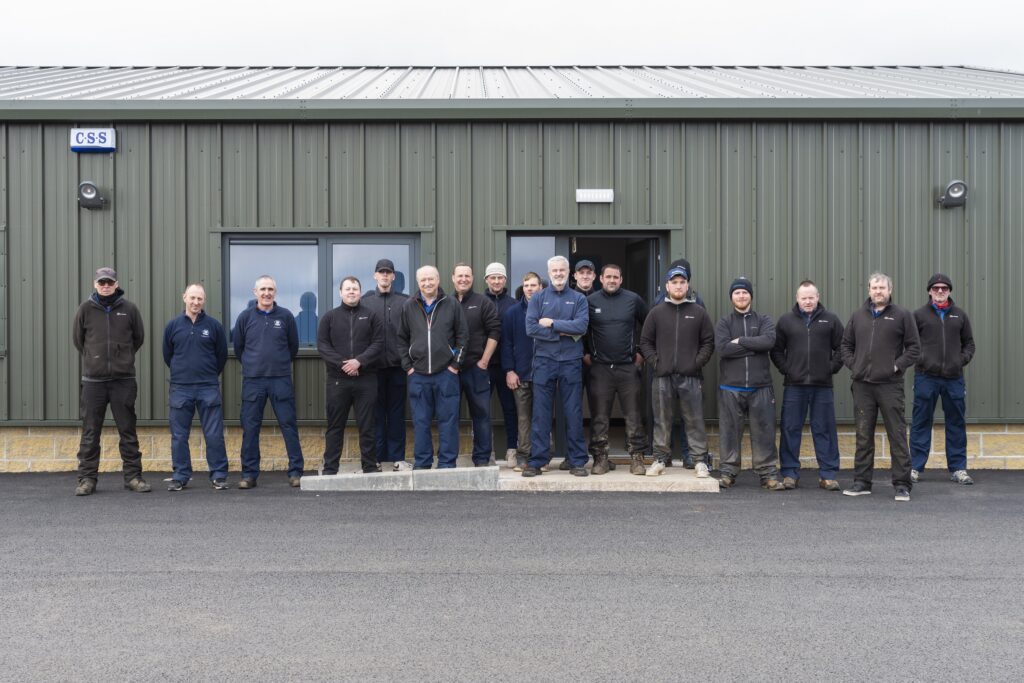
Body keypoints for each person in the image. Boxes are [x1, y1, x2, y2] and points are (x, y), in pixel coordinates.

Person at [841, 272, 921, 501]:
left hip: (890, 386)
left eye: (882, 288)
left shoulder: (902, 315)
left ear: (890, 290)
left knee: (897, 435)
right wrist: (854, 365)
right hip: (862, 386)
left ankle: (902, 484)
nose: (878, 291)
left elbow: (914, 348)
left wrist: (896, 367)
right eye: (874, 287)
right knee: (863, 435)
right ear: (868, 290)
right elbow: (845, 345)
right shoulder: (858, 316)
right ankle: (862, 482)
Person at [71, 267, 148, 496]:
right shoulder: (85, 309)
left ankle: (133, 477)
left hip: (123, 380)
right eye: (101, 282)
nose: (105, 286)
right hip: (93, 382)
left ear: (116, 284)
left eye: (109, 282)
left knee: (128, 431)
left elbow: (138, 338)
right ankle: (87, 479)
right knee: (90, 432)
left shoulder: (129, 309)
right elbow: (79, 340)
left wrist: (121, 358)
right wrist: (95, 359)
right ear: (95, 284)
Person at [639, 263, 715, 478]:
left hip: (690, 376)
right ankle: (660, 459)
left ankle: (699, 460)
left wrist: (695, 363)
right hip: (662, 376)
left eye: (682, 282)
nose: (679, 286)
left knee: (694, 419)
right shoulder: (656, 313)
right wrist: (656, 362)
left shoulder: (698, 312)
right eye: (675, 282)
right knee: (662, 419)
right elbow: (645, 342)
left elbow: (708, 342)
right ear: (667, 285)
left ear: (687, 285)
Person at [770, 280, 845, 491]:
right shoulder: (786, 321)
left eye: (811, 297)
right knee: (790, 428)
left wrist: (830, 368)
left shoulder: (831, 320)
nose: (808, 301)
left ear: (818, 296)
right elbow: (776, 350)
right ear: (797, 298)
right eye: (804, 298)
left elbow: (843, 347)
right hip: (794, 385)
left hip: (822, 386)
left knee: (825, 429)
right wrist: (788, 369)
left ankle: (828, 475)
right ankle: (790, 474)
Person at [233, 275, 304, 489]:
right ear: (255, 292)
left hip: (280, 379)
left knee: (289, 425)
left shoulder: (286, 316)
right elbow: (239, 348)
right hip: (253, 381)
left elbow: (293, 347)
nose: (266, 293)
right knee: (250, 428)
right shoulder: (245, 317)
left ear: (275, 292)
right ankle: (249, 474)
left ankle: (295, 472)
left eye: (270, 289)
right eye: (262, 289)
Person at [715, 277, 784, 491]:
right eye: (737, 293)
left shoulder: (764, 320)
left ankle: (768, 475)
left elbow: (769, 342)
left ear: (750, 296)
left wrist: (741, 340)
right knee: (729, 433)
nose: (741, 296)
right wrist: (754, 344)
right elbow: (724, 349)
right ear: (731, 297)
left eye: (745, 292)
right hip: (731, 388)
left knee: (764, 433)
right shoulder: (725, 322)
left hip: (760, 387)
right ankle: (727, 473)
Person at [523, 256, 590, 477]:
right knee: (540, 414)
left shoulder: (579, 298)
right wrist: (565, 333)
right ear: (549, 272)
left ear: (568, 272)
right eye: (555, 270)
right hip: (544, 361)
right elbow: (531, 328)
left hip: (571, 362)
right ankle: (537, 461)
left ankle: (577, 461)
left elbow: (581, 326)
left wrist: (552, 324)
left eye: (562, 270)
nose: (559, 273)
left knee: (573, 412)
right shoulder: (538, 298)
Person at [398, 265, 468, 469]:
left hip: (446, 374)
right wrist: (408, 366)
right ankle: (422, 463)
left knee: (448, 422)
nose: (427, 283)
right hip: (418, 375)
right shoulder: (408, 305)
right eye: (423, 280)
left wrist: (455, 365)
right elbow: (401, 339)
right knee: (421, 423)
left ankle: (447, 463)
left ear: (438, 280)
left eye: (431, 279)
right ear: (418, 282)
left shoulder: (452, 304)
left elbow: (463, 337)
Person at [161, 283, 230, 491]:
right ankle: (181, 475)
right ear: (184, 298)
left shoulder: (214, 326)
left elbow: (221, 356)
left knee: (214, 434)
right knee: (179, 436)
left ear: (204, 301)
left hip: (208, 387)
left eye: (199, 299)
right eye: (192, 298)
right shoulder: (173, 326)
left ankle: (218, 475)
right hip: (180, 388)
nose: (196, 302)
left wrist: (207, 374)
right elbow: (168, 355)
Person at [910, 273, 976, 485]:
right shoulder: (918, 315)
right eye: (936, 288)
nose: (940, 291)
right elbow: (910, 344)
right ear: (929, 291)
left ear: (949, 291)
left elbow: (969, 344)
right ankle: (915, 467)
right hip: (925, 377)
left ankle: (958, 469)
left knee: (956, 423)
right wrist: (922, 360)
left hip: (953, 378)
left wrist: (959, 361)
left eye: (944, 288)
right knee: (921, 422)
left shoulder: (960, 315)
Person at [584, 264, 649, 475]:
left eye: (616, 277)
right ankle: (600, 458)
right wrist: (585, 354)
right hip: (600, 368)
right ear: (600, 279)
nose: (612, 280)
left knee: (633, 415)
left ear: (621, 280)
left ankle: (637, 458)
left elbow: (649, 325)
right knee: (600, 416)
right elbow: (581, 328)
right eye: (608, 277)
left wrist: (641, 352)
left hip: (627, 367)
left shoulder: (633, 299)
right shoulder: (590, 301)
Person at [318, 276, 384, 475]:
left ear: (361, 292)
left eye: (355, 288)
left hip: (366, 379)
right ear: (340, 292)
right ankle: (330, 468)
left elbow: (378, 344)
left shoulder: (371, 316)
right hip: (338, 380)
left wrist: (359, 362)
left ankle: (370, 467)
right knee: (335, 426)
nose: (351, 292)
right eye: (347, 289)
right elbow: (323, 345)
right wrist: (343, 364)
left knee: (367, 425)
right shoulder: (329, 317)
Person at [361, 259, 411, 470]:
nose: (384, 276)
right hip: (373, 369)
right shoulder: (365, 301)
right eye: (381, 272)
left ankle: (397, 458)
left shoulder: (405, 302)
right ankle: (378, 459)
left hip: (398, 367)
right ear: (375, 276)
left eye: (388, 273)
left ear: (393, 277)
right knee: (376, 415)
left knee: (397, 414)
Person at [452, 263, 501, 466]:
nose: (463, 279)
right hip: (451, 370)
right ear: (453, 278)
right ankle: (448, 459)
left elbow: (495, 331)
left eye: (467, 275)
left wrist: (484, 361)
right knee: (449, 416)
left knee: (481, 415)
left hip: (476, 369)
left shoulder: (483, 302)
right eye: (460, 275)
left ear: (472, 278)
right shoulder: (446, 302)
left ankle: (481, 458)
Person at [501, 272, 542, 472]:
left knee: (542, 417)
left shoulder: (548, 310)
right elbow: (506, 344)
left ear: (540, 288)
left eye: (533, 285)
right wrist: (509, 370)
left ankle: (542, 457)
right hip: (521, 374)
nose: (529, 288)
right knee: (524, 418)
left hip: (545, 375)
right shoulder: (512, 313)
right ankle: (524, 457)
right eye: (526, 285)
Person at [483, 262, 519, 463]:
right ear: (486, 280)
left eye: (500, 277)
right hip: (484, 366)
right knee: (482, 410)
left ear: (505, 280)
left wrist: (511, 367)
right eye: (492, 277)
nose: (496, 281)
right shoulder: (479, 302)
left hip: (507, 368)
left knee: (510, 409)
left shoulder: (513, 304)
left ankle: (512, 449)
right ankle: (486, 451)